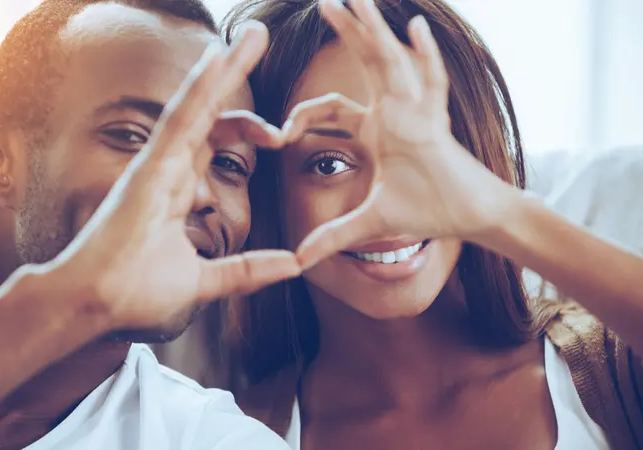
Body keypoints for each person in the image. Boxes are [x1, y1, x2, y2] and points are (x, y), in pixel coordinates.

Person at [0, 1, 299, 449]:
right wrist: (62, 308)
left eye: (228, 163)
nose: (197, 191)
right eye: (133, 137)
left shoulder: (211, 437)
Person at [225, 0, 643, 448]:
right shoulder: (232, 430)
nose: (388, 199)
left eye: (425, 154)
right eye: (329, 164)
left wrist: (498, 212)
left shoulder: (610, 370)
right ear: (266, 191)